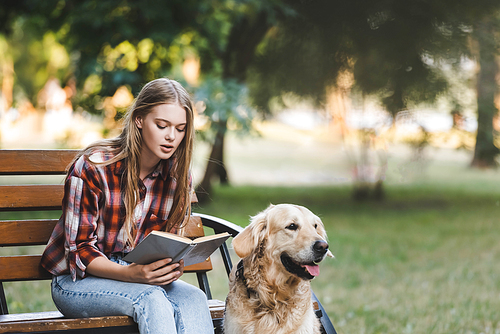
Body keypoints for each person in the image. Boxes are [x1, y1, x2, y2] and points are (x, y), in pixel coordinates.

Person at [41, 78, 213, 334]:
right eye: (162, 125)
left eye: (180, 129)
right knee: (151, 300)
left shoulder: (177, 177)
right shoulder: (93, 167)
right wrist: (135, 275)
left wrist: (170, 265)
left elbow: (166, 243)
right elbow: (79, 253)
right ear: (139, 120)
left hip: (138, 276)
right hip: (77, 282)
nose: (171, 137)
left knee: (194, 299)